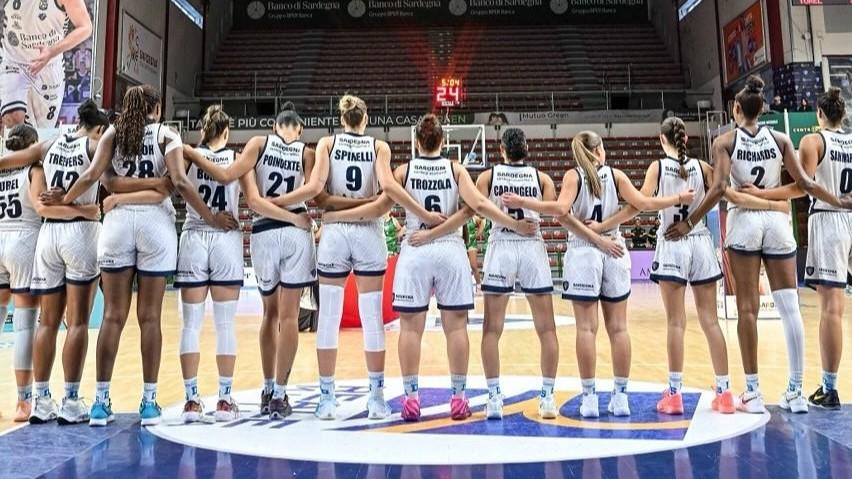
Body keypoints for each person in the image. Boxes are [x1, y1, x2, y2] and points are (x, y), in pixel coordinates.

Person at [46, 85, 240, 427]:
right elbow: (177, 182)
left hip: (117, 225)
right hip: (156, 225)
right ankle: (150, 401)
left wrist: (64, 200)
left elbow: (95, 177)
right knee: (150, 317)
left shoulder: (111, 134)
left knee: (112, 318)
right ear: (156, 107)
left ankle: (100, 401)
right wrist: (208, 216)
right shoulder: (167, 134)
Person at [324, 113, 537, 421]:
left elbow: (379, 209)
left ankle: (411, 399)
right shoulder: (456, 169)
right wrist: (511, 224)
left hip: (415, 248)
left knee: (410, 328)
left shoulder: (403, 171)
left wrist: (337, 216)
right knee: (456, 327)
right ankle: (459, 398)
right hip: (450, 250)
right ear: (443, 141)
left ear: (416, 142)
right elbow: (477, 207)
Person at [588, 116, 790, 415]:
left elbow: (638, 204)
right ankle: (724, 392)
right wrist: (767, 201)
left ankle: (675, 392)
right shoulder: (702, 167)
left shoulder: (657, 167)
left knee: (676, 323)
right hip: (700, 242)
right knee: (711, 321)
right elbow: (726, 193)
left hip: (672, 243)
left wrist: (604, 225)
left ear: (661, 139)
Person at [267, 95, 444, 421]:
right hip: (368, 233)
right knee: (372, 320)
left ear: (341, 119)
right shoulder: (379, 147)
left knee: (329, 318)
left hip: (334, 233)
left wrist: (335, 210)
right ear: (365, 120)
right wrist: (409, 212)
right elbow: (387, 192)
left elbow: (317, 192)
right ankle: (376, 398)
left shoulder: (326, 143)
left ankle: (327, 398)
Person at [504, 131, 694, 418]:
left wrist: (524, 203)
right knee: (619, 329)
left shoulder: (572, 176)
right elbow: (642, 204)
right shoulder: (616, 175)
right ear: (601, 149)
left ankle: (590, 398)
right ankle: (620, 397)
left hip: (583, 250)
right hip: (614, 247)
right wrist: (678, 198)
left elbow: (559, 211)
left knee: (586, 330)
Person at [666, 75, 823, 414]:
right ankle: (796, 391)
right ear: (762, 109)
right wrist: (837, 201)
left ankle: (752, 392)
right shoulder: (780, 139)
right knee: (790, 308)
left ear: (735, 109)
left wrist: (690, 221)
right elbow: (804, 184)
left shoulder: (725, 141)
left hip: (744, 222)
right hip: (778, 222)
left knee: (748, 310)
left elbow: (719, 188)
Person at [181, 103, 314, 420]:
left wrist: (189, 150)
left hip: (260, 231)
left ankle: (265, 388)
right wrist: (295, 218)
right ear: (299, 130)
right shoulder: (306, 152)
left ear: (274, 128)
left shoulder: (257, 144)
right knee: (290, 316)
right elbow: (314, 190)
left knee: (268, 314)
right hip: (293, 231)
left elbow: (252, 200)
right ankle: (279, 395)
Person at [0, 101, 108, 424]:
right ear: (99, 128)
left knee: (46, 322)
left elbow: (9, 160)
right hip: (79, 232)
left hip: (47, 236)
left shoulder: (51, 142)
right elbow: (93, 177)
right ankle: (71, 401)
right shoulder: (97, 144)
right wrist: (78, 203)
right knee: (76, 322)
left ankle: (42, 400)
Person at [474, 128, 561, 419]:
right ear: (526, 150)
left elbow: (478, 207)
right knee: (547, 329)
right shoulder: (542, 178)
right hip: (532, 244)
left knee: (491, 329)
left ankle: (495, 397)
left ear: (501, 150)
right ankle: (547, 398)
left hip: (502, 244)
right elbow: (556, 210)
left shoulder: (488, 177)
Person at [798, 88, 852, 409]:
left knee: (831, 309)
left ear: (819, 114)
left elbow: (805, 183)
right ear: (842, 115)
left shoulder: (813, 141)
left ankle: (829, 388)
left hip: (830, 218)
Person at [0, 125, 41, 422]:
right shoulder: (32, 169)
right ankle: (23, 401)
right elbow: (41, 207)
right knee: (25, 326)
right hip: (24, 241)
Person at [1, 0, 93, 128]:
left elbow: (85, 27)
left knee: (42, 132)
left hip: (49, 65)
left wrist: (51, 51)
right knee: (13, 118)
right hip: (14, 60)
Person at [464, 216, 485, 288]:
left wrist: (478, 234)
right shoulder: (457, 214)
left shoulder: (473, 217)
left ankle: (479, 286)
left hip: (471, 243)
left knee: (474, 266)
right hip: (460, 243)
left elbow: (482, 223)